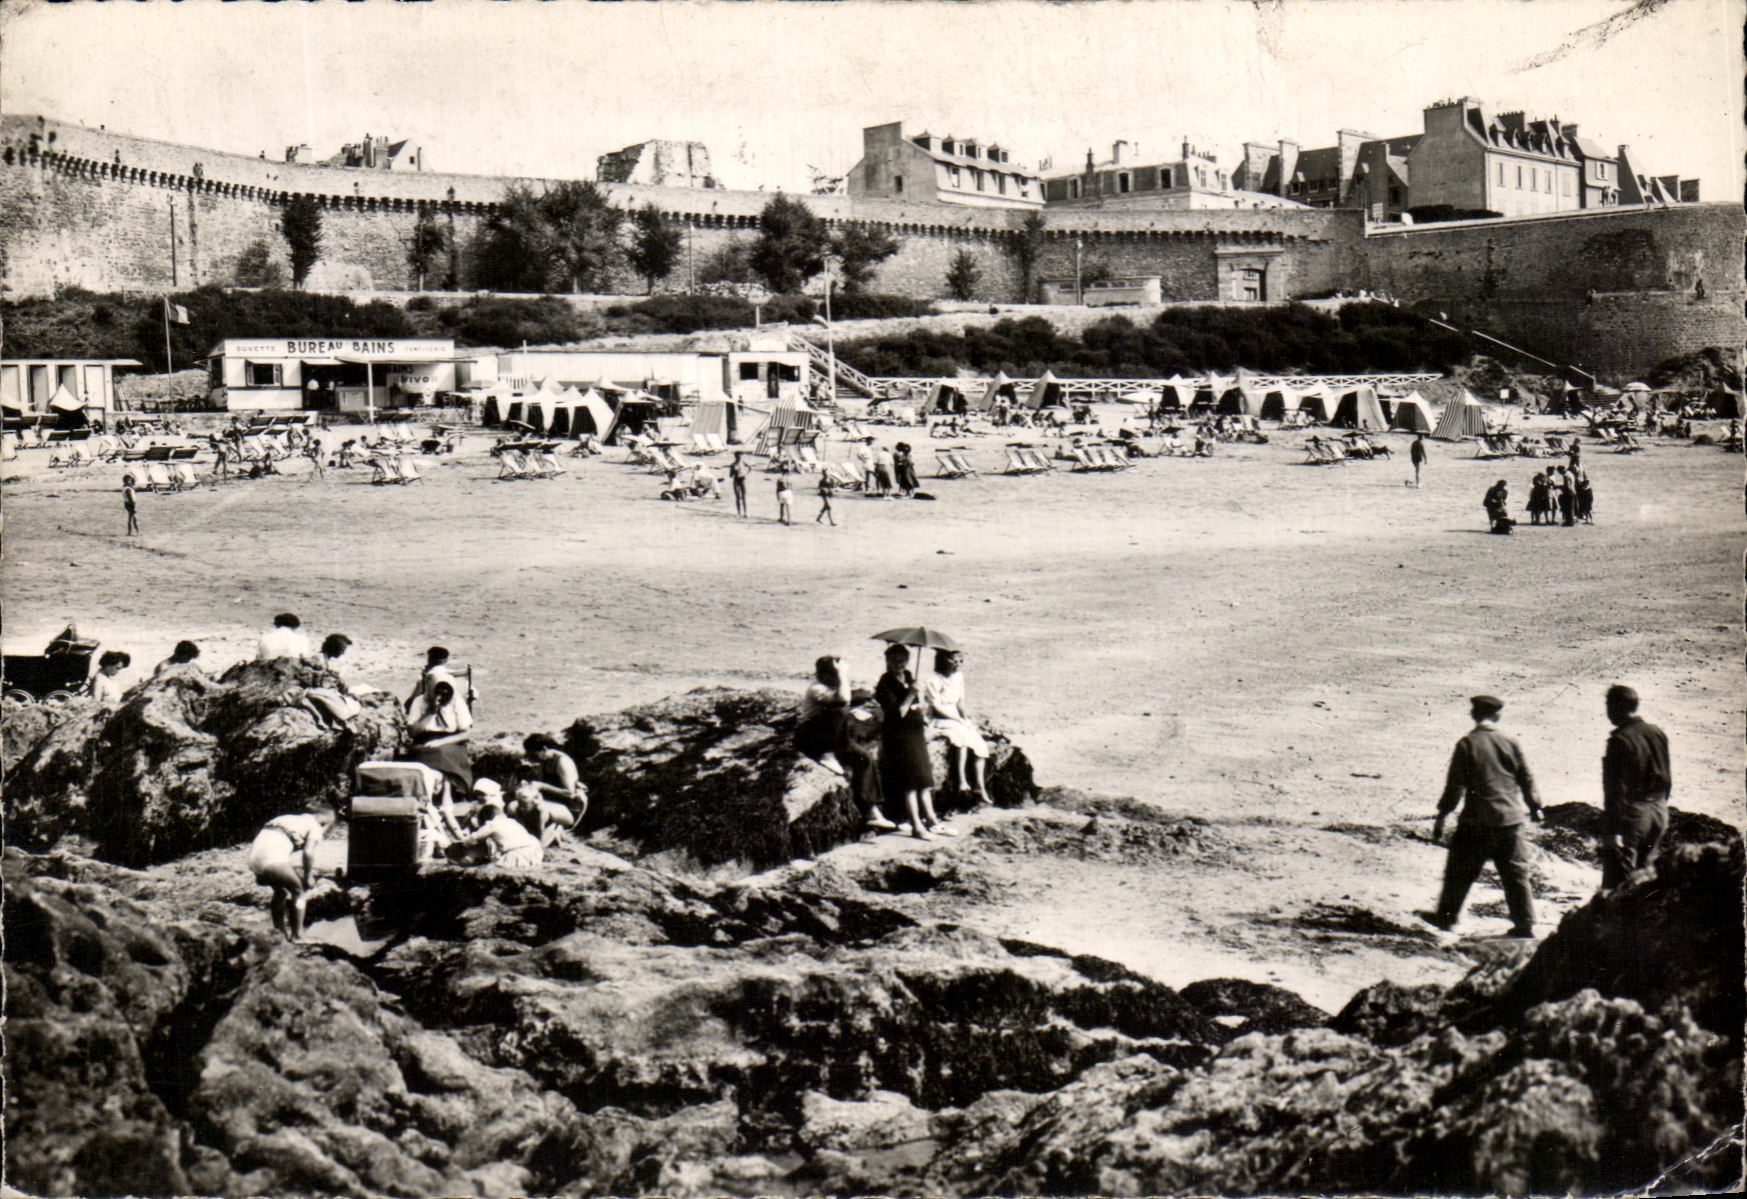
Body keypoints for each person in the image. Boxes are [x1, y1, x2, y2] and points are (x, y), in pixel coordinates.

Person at [1427, 695, 1543, 938]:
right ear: (1497, 715)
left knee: (1460, 870)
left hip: (1477, 821)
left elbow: (1454, 787)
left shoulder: (1467, 744)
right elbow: (1526, 777)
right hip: (1510, 819)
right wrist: (1535, 806)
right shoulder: (1510, 742)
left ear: (1473, 714)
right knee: (1516, 872)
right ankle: (1525, 924)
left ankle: (1446, 918)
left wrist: (1442, 815)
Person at [875, 643, 952, 841]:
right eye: (893, 661)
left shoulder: (908, 676)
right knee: (909, 782)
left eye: (901, 660)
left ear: (907, 661)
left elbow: (915, 706)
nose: (898, 665)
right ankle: (916, 826)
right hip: (900, 736)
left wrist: (918, 700)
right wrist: (910, 694)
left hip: (916, 733)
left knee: (924, 780)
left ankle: (932, 821)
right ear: (887, 662)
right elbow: (896, 714)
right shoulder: (885, 684)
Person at [1600, 685, 1672, 890]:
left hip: (1634, 814)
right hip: (1659, 811)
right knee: (1645, 879)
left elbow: (1614, 790)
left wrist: (1613, 830)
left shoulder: (1619, 740)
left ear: (1618, 706)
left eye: (1609, 705)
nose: (1607, 711)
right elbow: (1667, 775)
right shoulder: (1657, 732)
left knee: (1617, 884)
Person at [249, 807, 336, 943]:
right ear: (324, 821)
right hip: (271, 860)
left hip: (254, 858)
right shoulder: (315, 826)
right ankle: (298, 935)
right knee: (299, 890)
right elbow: (308, 853)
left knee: (281, 891)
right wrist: (308, 876)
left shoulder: (289, 819)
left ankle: (280, 933)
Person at [923, 649, 994, 806]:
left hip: (955, 715)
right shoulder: (933, 679)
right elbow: (936, 707)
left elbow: (960, 702)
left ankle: (979, 786)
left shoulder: (959, 677)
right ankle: (962, 780)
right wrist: (956, 719)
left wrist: (965, 718)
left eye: (960, 661)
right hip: (941, 717)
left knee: (979, 744)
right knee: (960, 739)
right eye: (954, 661)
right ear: (943, 660)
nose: (958, 665)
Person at [513, 733, 586, 845]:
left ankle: (541, 841)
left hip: (569, 808)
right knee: (514, 807)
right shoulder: (545, 760)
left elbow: (570, 793)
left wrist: (542, 786)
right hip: (552, 803)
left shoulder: (563, 762)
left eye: (533, 754)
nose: (532, 758)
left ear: (544, 749)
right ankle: (531, 837)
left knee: (539, 810)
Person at [451, 794, 543, 871]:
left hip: (517, 854)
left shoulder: (491, 824)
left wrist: (464, 844)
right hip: (534, 851)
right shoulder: (512, 821)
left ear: (486, 820)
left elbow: (474, 838)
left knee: (490, 866)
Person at [796, 655, 852, 772]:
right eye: (835, 674)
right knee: (840, 710)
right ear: (825, 675)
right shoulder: (816, 688)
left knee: (866, 758)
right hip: (811, 735)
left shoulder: (829, 684)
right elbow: (845, 698)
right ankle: (827, 755)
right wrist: (842, 673)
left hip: (828, 735)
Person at [729, 453, 752, 517]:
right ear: (735, 457)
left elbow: (750, 467)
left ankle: (745, 512)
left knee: (744, 496)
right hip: (736, 480)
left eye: (740, 457)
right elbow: (730, 475)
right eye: (738, 457)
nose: (739, 458)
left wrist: (746, 473)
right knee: (737, 497)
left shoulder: (743, 462)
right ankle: (739, 512)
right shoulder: (733, 465)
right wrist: (733, 471)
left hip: (742, 479)